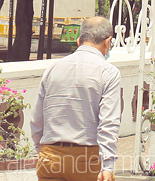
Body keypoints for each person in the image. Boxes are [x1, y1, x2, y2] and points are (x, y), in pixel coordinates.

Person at [31, 15, 121, 181]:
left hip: (50, 156)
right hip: (86, 159)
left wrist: (43, 151)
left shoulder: (53, 69)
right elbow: (108, 123)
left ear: (79, 41)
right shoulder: (108, 72)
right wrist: (108, 166)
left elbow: (37, 119)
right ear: (108, 42)